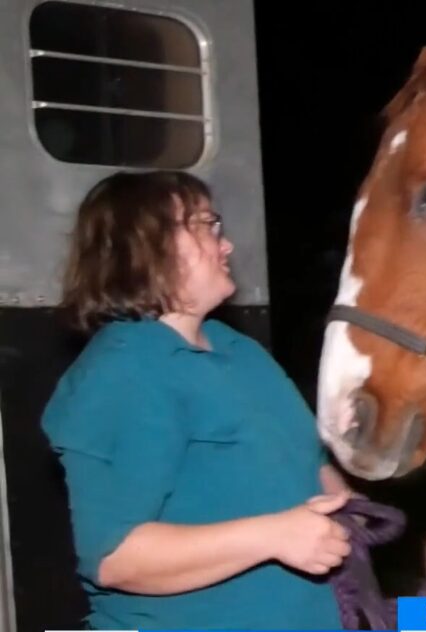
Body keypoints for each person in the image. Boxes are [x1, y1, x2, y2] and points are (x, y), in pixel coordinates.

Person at [41, 170, 353, 630]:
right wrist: (275, 536)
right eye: (205, 225)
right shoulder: (124, 370)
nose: (226, 246)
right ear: (143, 245)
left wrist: (346, 509)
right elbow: (116, 558)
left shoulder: (238, 350)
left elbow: (310, 464)